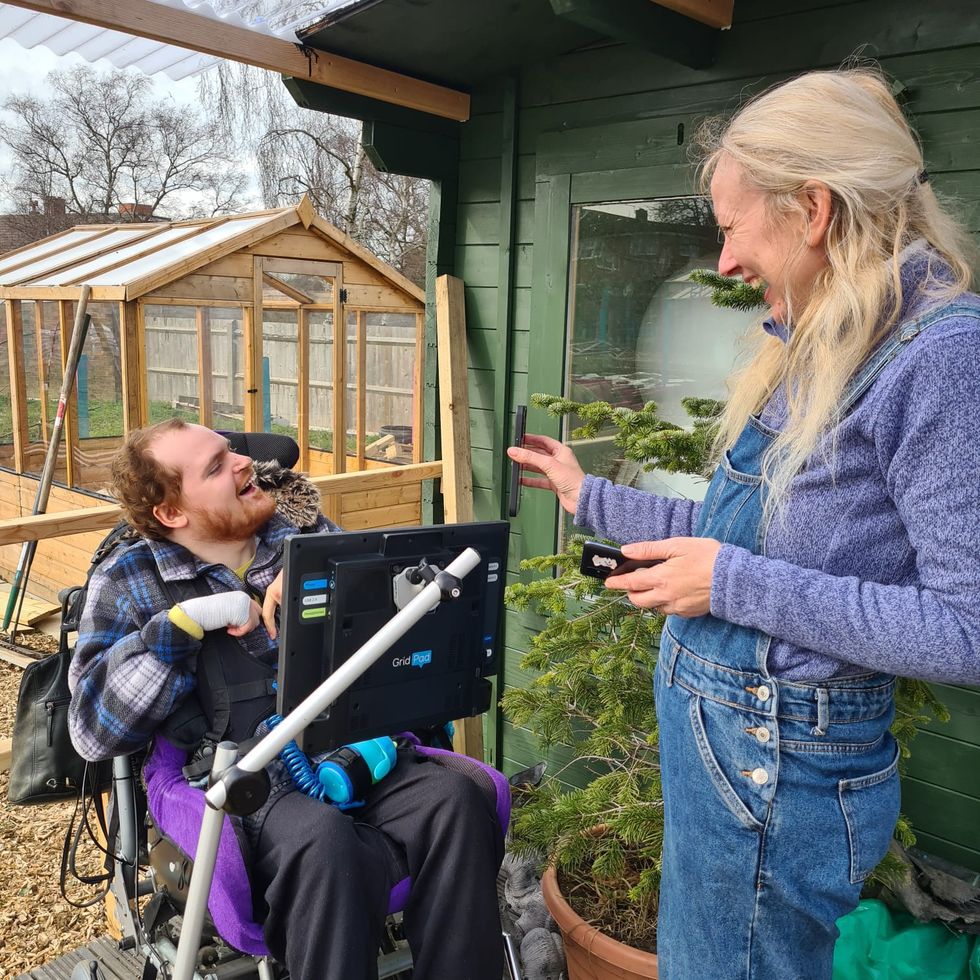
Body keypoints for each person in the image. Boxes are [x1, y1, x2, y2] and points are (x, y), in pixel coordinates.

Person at [508, 68, 980, 980]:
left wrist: (727, 584)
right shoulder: (829, 340)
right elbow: (752, 531)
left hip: (777, 766)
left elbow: (967, 629)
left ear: (813, 208)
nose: (723, 260)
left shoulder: (946, 357)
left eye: (730, 225)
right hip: (732, 748)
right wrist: (588, 498)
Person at [68, 419, 504, 980]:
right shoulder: (129, 579)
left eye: (231, 453)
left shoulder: (306, 537)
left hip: (345, 747)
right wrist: (181, 625)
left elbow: (388, 647)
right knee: (324, 843)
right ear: (172, 512)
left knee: (455, 802)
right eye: (216, 467)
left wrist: (320, 598)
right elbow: (91, 732)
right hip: (236, 778)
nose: (244, 463)